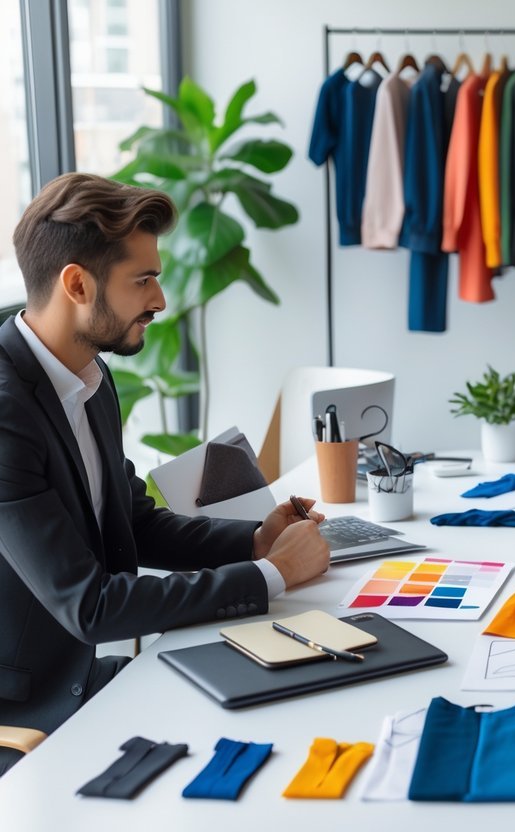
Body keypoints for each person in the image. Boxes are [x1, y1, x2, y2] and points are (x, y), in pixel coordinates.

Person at [0, 174, 331, 773]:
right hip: (29, 711)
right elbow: (92, 606)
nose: (160, 300)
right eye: (143, 280)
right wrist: (272, 575)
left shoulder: (90, 382)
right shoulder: (4, 412)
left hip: (86, 673)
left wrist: (255, 540)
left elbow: (134, 522)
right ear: (77, 284)